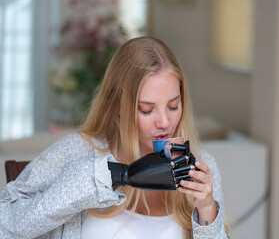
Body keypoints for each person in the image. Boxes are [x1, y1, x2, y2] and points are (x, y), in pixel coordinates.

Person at [0, 36, 229, 239]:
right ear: (118, 106)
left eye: (173, 106)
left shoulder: (199, 167)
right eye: (146, 109)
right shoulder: (78, 152)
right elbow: (4, 225)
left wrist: (207, 209)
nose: (164, 122)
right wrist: (101, 177)